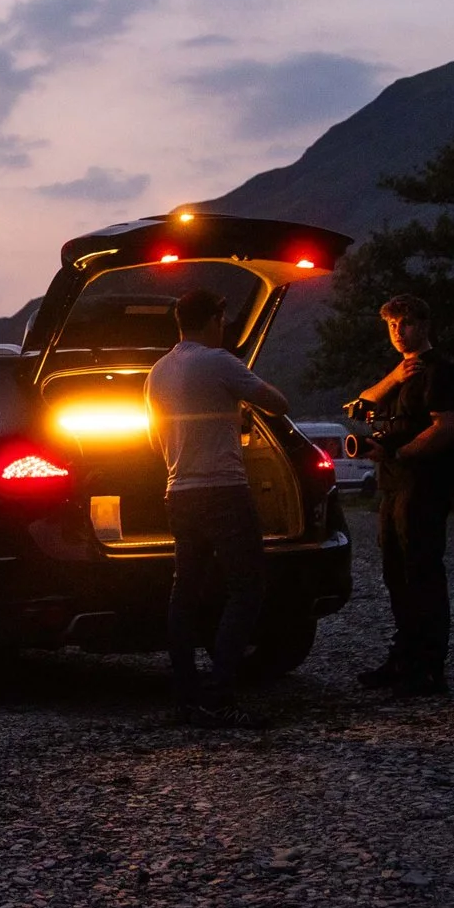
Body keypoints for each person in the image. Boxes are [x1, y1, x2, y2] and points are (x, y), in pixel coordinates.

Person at [144, 287, 291, 722]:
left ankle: (185, 695)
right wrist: (238, 401)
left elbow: (156, 441)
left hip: (179, 491)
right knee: (247, 587)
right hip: (224, 490)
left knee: (185, 590)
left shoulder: (157, 372)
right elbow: (278, 405)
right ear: (213, 320)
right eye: (222, 320)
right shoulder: (220, 361)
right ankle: (220, 691)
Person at [351, 294, 454, 696]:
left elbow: (445, 428)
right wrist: (395, 378)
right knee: (395, 573)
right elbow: (360, 403)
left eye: (407, 323)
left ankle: (429, 668)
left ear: (424, 324)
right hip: (393, 483)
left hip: (425, 483)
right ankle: (404, 658)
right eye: (392, 324)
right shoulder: (403, 371)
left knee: (422, 572)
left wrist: (398, 451)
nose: (399, 331)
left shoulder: (441, 372)